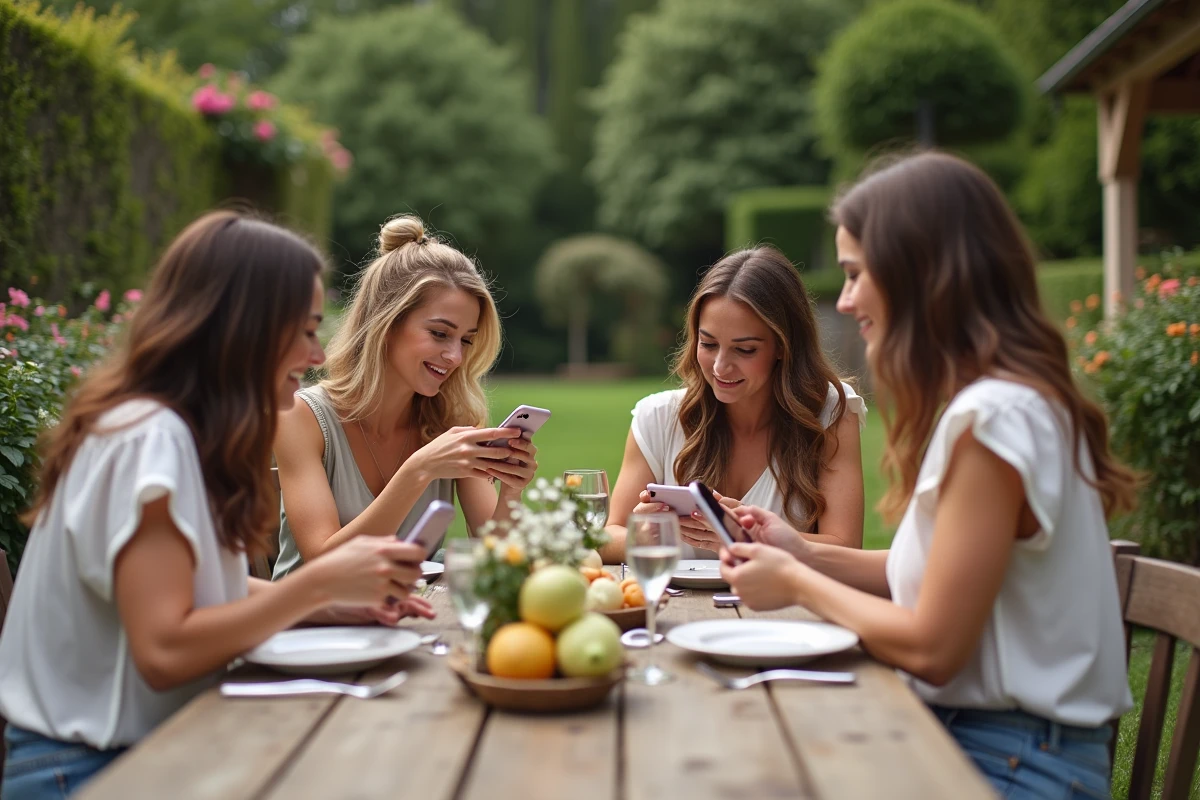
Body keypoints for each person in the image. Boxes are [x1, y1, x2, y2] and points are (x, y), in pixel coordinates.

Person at [720, 152, 1137, 799]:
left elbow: (933, 648)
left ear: (920, 273)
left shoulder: (994, 421)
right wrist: (801, 551)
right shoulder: (1006, 403)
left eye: (856, 273)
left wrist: (797, 583)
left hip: (1014, 764)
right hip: (989, 742)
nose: (846, 299)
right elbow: (932, 576)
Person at [0, 211, 431, 799]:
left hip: (139, 751)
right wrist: (316, 587)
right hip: (86, 771)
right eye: (305, 331)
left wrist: (329, 606)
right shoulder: (150, 440)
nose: (315, 355)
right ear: (244, 328)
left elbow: (197, 584)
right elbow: (164, 651)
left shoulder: (168, 430)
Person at [272, 215, 536, 578]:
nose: (456, 357)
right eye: (440, 334)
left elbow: (498, 558)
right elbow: (324, 563)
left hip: (409, 612)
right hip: (307, 613)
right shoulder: (301, 416)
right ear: (387, 323)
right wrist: (419, 469)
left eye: (466, 340)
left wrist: (511, 491)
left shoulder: (451, 420)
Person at [602, 245, 866, 564]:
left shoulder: (829, 412)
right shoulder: (657, 418)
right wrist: (644, 534)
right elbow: (607, 537)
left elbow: (845, 549)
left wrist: (746, 535)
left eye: (745, 350)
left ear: (783, 346)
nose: (720, 367)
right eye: (708, 344)